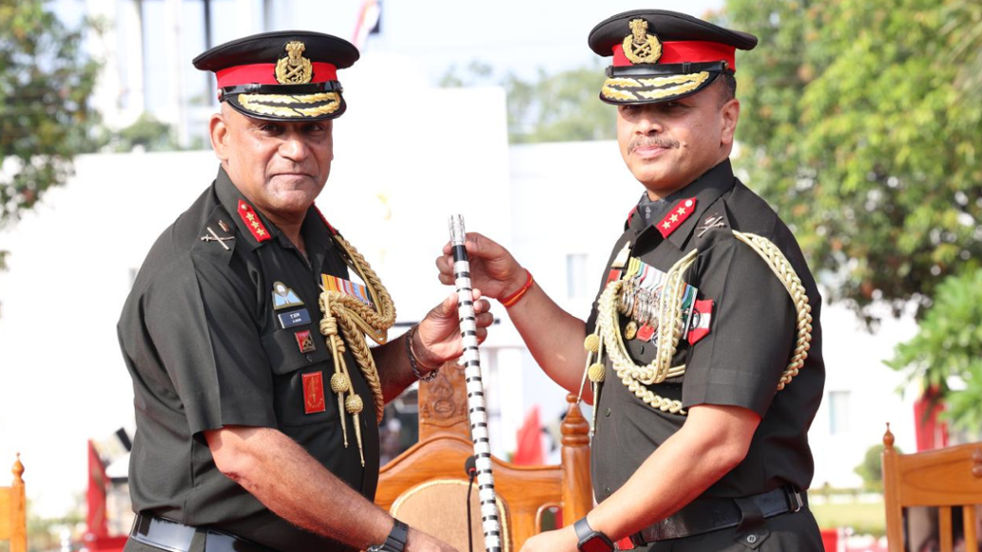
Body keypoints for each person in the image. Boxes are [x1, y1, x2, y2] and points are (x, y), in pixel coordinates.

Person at [437, 9, 825, 552]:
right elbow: (597, 373)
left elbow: (718, 439)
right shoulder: (650, 233)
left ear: (727, 121)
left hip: (736, 539)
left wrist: (584, 535)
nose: (645, 124)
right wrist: (515, 289)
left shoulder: (737, 248)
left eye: (672, 106)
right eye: (631, 108)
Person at [117, 30, 491, 552]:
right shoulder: (205, 264)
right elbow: (246, 452)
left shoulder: (313, 242)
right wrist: (404, 543)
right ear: (222, 136)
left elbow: (327, 398)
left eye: (313, 128)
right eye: (270, 128)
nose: (296, 149)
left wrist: (417, 350)